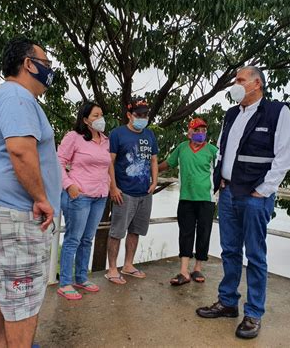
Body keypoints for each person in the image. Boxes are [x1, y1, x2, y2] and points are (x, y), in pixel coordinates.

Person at [0, 37, 61, 347]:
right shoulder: (17, 96)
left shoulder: (5, 97)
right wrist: (41, 198)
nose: (50, 71)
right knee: (22, 296)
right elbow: (20, 151)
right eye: (46, 64)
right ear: (28, 64)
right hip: (16, 214)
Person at [196, 66, 290, 339]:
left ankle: (253, 314)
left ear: (257, 84)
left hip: (254, 197)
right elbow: (222, 150)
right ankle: (228, 302)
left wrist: (263, 189)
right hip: (228, 194)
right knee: (229, 251)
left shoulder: (276, 112)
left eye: (240, 80)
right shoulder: (231, 114)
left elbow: (285, 156)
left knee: (255, 256)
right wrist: (220, 184)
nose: (235, 84)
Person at [57, 102, 111, 300]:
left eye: (102, 114)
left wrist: (109, 185)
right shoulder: (74, 137)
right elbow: (58, 162)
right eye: (96, 115)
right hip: (79, 196)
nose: (100, 119)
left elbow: (106, 166)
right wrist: (69, 185)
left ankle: (81, 277)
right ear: (85, 118)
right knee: (73, 239)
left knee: (88, 239)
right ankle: (65, 282)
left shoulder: (105, 140)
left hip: (100, 196)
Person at [158, 117, 218, 286]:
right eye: (197, 130)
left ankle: (198, 267)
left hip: (207, 199)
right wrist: (150, 170)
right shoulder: (182, 148)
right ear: (189, 132)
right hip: (186, 197)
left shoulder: (213, 151)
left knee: (204, 233)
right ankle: (184, 271)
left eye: (204, 130)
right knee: (185, 233)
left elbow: (223, 170)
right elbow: (167, 164)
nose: (201, 134)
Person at [106, 98, 158, 284]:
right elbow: (109, 162)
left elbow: (153, 160)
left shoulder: (150, 134)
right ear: (129, 115)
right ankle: (112, 269)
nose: (143, 118)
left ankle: (128, 265)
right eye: (139, 114)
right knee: (117, 232)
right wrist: (113, 187)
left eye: (145, 114)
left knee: (136, 231)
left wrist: (155, 182)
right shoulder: (117, 134)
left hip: (144, 192)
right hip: (124, 192)